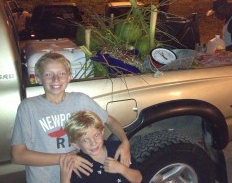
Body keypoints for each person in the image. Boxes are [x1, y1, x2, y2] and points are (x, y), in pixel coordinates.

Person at [11, 52, 131, 183]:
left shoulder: (80, 100)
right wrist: (65, 158)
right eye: (48, 74)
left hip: (80, 178)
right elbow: (17, 155)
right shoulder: (28, 107)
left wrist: (125, 143)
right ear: (38, 78)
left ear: (69, 77)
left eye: (61, 73)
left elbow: (111, 121)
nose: (56, 79)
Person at [60, 110, 142, 183]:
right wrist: (65, 179)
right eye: (85, 140)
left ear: (102, 132)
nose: (93, 143)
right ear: (76, 144)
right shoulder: (79, 165)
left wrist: (122, 169)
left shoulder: (117, 149)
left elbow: (138, 179)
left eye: (96, 135)